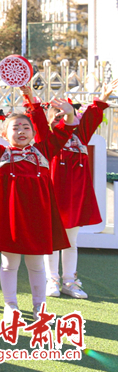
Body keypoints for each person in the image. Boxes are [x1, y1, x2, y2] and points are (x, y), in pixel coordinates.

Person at [0, 99, 74, 319]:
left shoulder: (43, 151)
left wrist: (69, 115)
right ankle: (10, 305)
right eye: (15, 128)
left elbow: (63, 134)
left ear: (33, 132)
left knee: (36, 265)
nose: (21, 131)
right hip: (10, 218)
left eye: (25, 127)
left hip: (38, 219)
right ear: (4, 134)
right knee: (9, 264)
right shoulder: (0, 154)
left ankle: (39, 307)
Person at [43, 79, 117, 298]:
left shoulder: (81, 136)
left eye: (67, 114)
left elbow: (92, 116)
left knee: (71, 241)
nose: (63, 118)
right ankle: (51, 280)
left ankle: (69, 281)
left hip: (75, 198)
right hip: (52, 197)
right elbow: (37, 121)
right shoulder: (47, 139)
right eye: (57, 116)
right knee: (52, 241)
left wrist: (103, 97)